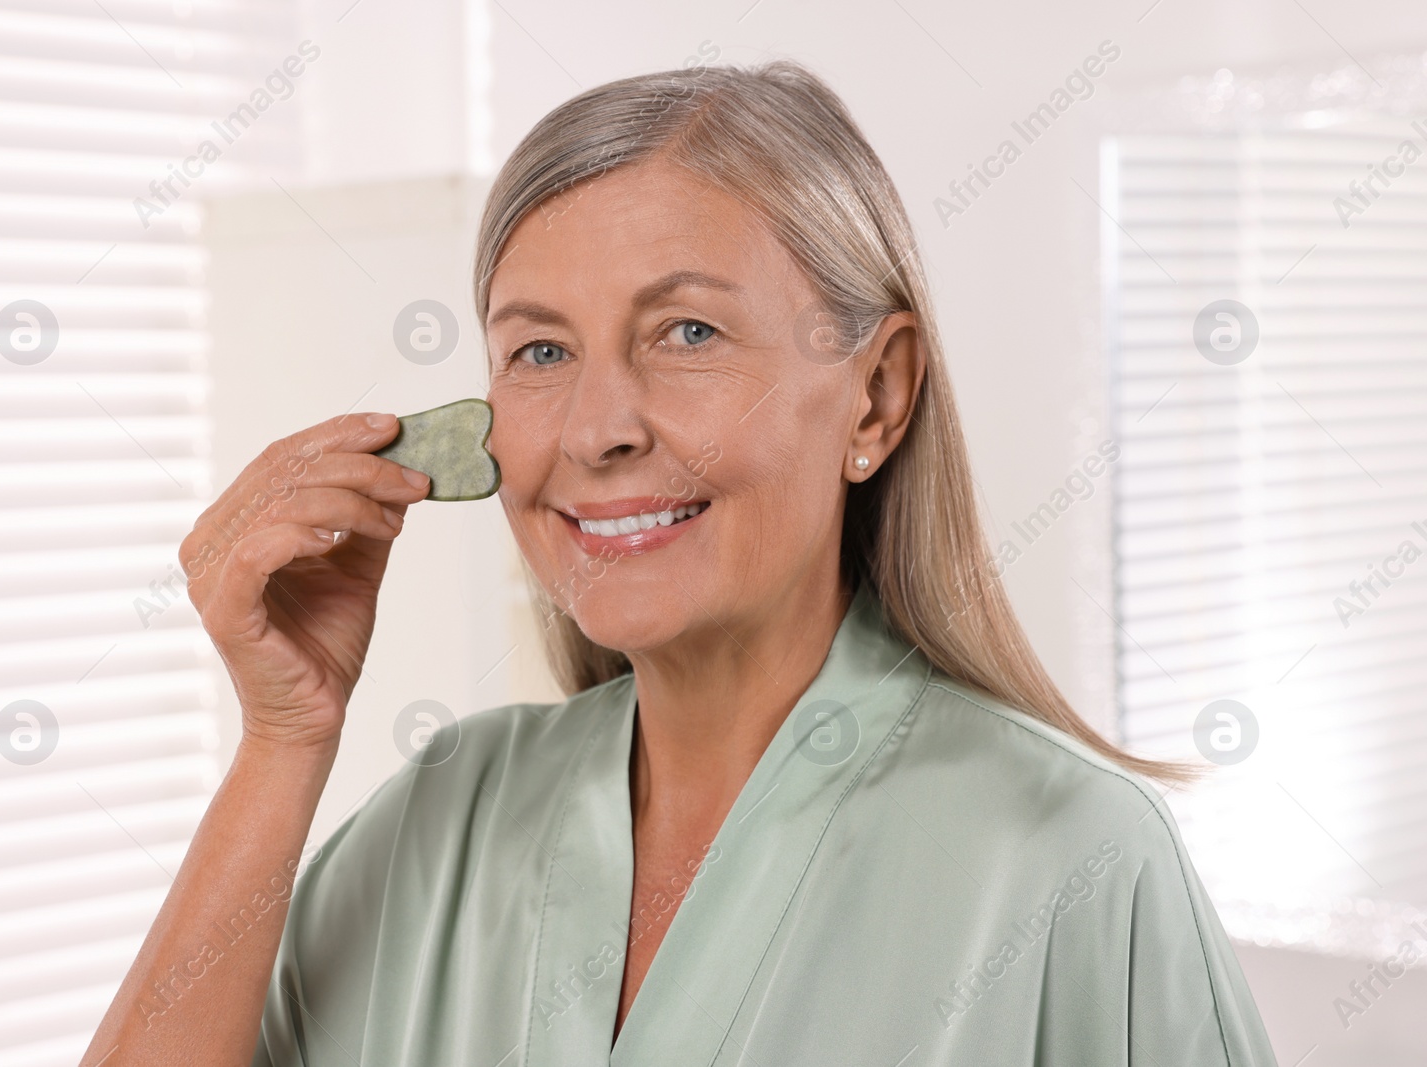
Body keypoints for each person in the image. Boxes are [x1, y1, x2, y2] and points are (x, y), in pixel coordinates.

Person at [82, 60, 1277, 1066]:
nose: (599, 426)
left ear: (875, 394)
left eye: (688, 332)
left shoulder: (1071, 856)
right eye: (539, 349)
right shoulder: (448, 816)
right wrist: (285, 739)